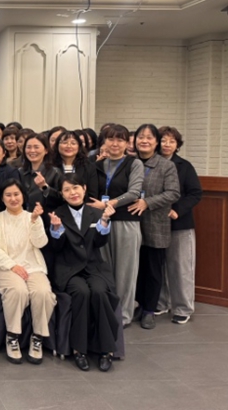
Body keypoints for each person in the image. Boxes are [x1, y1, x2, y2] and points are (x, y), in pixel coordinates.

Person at [49, 173, 118, 372]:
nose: (73, 192)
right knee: (81, 292)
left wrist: (104, 221)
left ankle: (106, 349)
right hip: (69, 269)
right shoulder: (57, 214)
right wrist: (56, 229)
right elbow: (56, 248)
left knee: (99, 291)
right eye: (67, 189)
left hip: (94, 267)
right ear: (61, 194)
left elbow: (99, 242)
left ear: (84, 189)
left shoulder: (96, 213)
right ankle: (79, 349)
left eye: (76, 187)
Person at [0, 179, 56, 365]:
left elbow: (41, 243)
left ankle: (37, 337)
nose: (13, 198)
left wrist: (34, 222)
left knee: (43, 292)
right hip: (5, 267)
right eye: (8, 195)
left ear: (23, 196)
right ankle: (12, 336)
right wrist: (13, 266)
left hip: (33, 266)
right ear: (2, 198)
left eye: (16, 194)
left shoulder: (32, 217)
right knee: (18, 291)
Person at [91, 124, 144, 327]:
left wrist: (108, 204)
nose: (115, 143)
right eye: (111, 139)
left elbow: (134, 193)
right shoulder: (97, 163)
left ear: (127, 143)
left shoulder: (134, 163)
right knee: (103, 270)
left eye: (120, 140)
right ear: (104, 141)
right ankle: (105, 312)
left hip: (125, 222)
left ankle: (123, 316)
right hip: (101, 222)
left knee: (125, 272)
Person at [130, 124, 180, 329]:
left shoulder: (166, 165)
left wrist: (147, 202)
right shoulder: (130, 162)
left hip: (155, 224)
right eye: (141, 137)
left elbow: (173, 193)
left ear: (156, 142)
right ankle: (139, 305)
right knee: (136, 269)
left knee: (152, 270)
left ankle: (150, 310)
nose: (144, 141)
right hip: (131, 223)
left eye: (149, 137)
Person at [156, 126, 202, 324]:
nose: (167, 144)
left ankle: (183, 307)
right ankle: (161, 303)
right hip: (155, 223)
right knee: (158, 266)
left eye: (172, 141)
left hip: (179, 223)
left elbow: (195, 193)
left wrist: (177, 210)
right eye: (163, 140)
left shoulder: (184, 166)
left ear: (177, 145)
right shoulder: (150, 163)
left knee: (181, 267)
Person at [19, 133, 63, 214]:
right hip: (24, 217)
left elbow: (61, 199)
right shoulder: (20, 172)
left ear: (46, 150)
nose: (32, 151)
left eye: (36, 147)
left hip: (47, 217)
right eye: (28, 147)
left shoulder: (55, 172)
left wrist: (44, 187)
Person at [52, 130, 99, 201]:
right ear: (57, 145)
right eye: (64, 143)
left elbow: (92, 194)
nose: (69, 146)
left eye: (73, 143)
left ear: (79, 146)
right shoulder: (50, 166)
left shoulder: (88, 167)